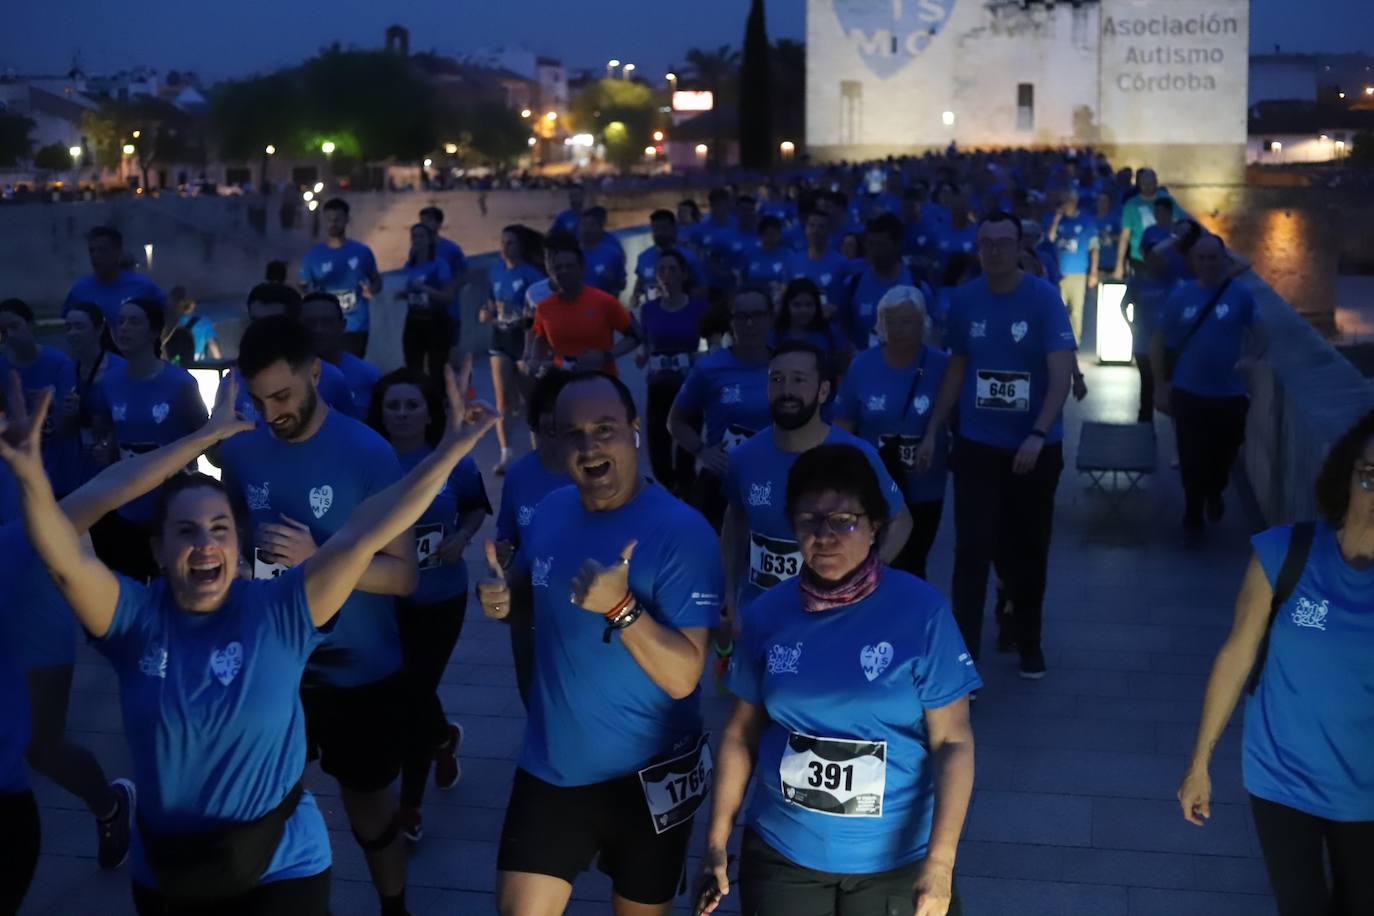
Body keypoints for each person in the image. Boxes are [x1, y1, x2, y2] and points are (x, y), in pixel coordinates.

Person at [0, 364, 495, 916]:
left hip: (282, 865)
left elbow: (368, 530)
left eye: (220, 529)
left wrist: (449, 451)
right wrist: (31, 480)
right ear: (158, 551)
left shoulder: (281, 610)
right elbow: (63, 557)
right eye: (185, 531)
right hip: (167, 872)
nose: (205, 543)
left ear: (238, 548)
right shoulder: (132, 620)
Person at [476, 371, 723, 916]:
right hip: (553, 768)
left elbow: (684, 677)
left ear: (634, 429)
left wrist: (622, 607)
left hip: (650, 776)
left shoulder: (684, 533)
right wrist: (502, 599)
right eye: (573, 433)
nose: (589, 446)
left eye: (604, 428)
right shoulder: (551, 510)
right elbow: (526, 598)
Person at [697, 443, 979, 916]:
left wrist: (940, 864)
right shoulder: (767, 614)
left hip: (896, 861)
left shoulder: (922, 613)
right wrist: (715, 840)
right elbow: (741, 733)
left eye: (844, 521)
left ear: (875, 525)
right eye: (809, 520)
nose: (824, 536)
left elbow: (953, 741)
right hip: (783, 853)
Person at [217, 316, 420, 916]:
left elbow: (403, 576)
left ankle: (394, 907)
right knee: (263, 803)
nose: (271, 413)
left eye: (282, 396)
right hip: (277, 666)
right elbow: (234, 536)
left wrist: (320, 559)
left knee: (369, 807)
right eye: (258, 401)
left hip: (360, 671)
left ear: (314, 372)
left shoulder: (369, 453)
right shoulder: (242, 450)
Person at [1178, 411, 1374, 916]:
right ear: (1346, 475)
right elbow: (1237, 653)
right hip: (1283, 776)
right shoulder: (1288, 552)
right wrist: (1200, 764)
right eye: (1370, 476)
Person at [916, 212, 1076, 679]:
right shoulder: (965, 300)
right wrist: (934, 426)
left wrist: (1038, 433)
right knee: (971, 549)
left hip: (1034, 448)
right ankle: (965, 657)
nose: (995, 251)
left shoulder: (1043, 299)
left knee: (1028, 548)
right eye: (986, 243)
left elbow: (1061, 374)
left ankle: (1029, 639)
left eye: (1004, 242)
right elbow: (958, 367)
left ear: (1019, 246)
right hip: (978, 445)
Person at [367, 368, 490, 844]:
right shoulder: (368, 459)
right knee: (405, 692)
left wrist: (462, 537)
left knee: (414, 693)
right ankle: (442, 739)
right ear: (380, 412)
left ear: (429, 412)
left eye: (411, 405)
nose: (402, 414)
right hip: (383, 599)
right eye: (393, 405)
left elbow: (475, 505)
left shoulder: (452, 459)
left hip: (440, 597)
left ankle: (410, 806)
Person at [723, 338, 911, 621]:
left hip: (832, 619)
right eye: (777, 379)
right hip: (760, 619)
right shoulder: (744, 457)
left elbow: (900, 520)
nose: (786, 390)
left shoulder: (857, 456)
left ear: (823, 391)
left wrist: (865, 578)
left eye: (799, 380)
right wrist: (729, 590)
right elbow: (735, 520)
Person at [1151, 234, 1265, 544]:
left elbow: (1261, 334)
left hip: (1230, 394)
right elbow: (1159, 340)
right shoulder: (1180, 296)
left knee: (1225, 452)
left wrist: (1251, 357)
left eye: (1213, 258)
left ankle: (1215, 490)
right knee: (1191, 455)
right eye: (1200, 258)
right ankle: (1193, 512)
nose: (1207, 264)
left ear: (1223, 259)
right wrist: (1160, 385)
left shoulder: (1240, 294)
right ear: (1192, 261)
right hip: (1188, 391)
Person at [835, 286, 952, 580]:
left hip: (925, 486)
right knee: (874, 561)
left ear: (922, 323)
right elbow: (844, 423)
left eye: (907, 321)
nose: (899, 329)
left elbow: (957, 417)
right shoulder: (862, 365)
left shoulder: (941, 366)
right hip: (874, 486)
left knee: (912, 563)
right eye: (892, 321)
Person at [88, 298, 209, 582]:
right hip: (125, 506)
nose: (123, 328)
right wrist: (104, 449)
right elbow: (105, 431)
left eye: (134, 321)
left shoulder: (181, 383)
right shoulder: (108, 383)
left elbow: (206, 437)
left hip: (173, 508)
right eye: (120, 321)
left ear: (155, 330)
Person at [492, 369, 573, 707]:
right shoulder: (519, 474)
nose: (553, 423)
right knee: (532, 694)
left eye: (562, 415)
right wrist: (503, 554)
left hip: (580, 606)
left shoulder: (594, 472)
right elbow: (507, 533)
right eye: (546, 415)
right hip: (529, 603)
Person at [668, 291, 775, 531]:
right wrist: (702, 451)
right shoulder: (709, 368)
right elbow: (676, 421)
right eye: (742, 316)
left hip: (774, 478)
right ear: (731, 321)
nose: (750, 323)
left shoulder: (785, 365)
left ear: (771, 319)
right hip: (723, 483)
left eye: (757, 315)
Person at [636, 249, 708, 495]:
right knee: (658, 450)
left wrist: (702, 358)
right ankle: (672, 489)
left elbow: (709, 343)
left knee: (687, 451)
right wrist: (642, 355)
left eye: (672, 269)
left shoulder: (699, 308)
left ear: (684, 274)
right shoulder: (648, 310)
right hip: (658, 385)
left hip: (689, 386)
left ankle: (687, 496)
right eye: (661, 270)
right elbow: (646, 342)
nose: (666, 275)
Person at [0, 299, 82, 496]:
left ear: (31, 325)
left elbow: (72, 418)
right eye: (3, 331)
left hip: (59, 466)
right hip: (18, 469)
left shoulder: (59, 362)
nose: (10, 335)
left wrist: (55, 402)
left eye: (15, 326)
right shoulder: (2, 368)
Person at [527, 239, 643, 378]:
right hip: (562, 384)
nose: (564, 271)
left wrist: (606, 356)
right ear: (551, 272)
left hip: (601, 381)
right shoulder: (544, 308)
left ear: (581, 269)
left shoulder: (604, 301)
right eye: (558, 267)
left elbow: (635, 335)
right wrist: (535, 360)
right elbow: (540, 338)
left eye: (569, 266)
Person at [481, 225, 545, 474]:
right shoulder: (495, 271)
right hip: (500, 338)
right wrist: (486, 312)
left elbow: (541, 309)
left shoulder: (531, 274)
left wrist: (521, 316)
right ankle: (505, 454)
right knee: (502, 400)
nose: (505, 248)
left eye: (511, 243)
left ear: (521, 247)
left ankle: (539, 451)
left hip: (524, 340)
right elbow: (489, 303)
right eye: (503, 242)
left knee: (531, 399)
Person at [298, 198, 384, 358]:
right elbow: (302, 285)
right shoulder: (312, 256)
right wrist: (305, 293)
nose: (333, 223)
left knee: (351, 367)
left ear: (346, 220)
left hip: (355, 325)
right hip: (323, 327)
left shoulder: (362, 252)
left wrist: (372, 290)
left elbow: (376, 280)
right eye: (329, 219)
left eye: (337, 219)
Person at [63, 302, 126, 484]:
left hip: (113, 466)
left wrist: (110, 436)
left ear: (99, 329)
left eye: (79, 327)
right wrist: (68, 415)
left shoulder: (120, 369)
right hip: (77, 466)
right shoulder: (66, 370)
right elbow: (62, 430)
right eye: (68, 327)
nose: (72, 333)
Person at [62, 226, 168, 327]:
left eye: (102, 250)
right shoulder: (79, 290)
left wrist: (159, 338)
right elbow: (66, 325)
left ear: (118, 252)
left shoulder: (143, 287)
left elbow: (170, 313)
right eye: (91, 250)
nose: (95, 255)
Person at [1121, 239, 1179, 422]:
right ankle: (1145, 425)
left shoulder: (1171, 280)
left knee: (1169, 384)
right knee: (1147, 383)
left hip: (1168, 342)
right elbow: (1123, 305)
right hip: (1143, 341)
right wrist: (1131, 325)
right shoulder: (1137, 282)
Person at [841, 214, 917, 350]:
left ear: (897, 245)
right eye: (870, 244)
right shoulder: (853, 284)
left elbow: (931, 338)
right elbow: (843, 332)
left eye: (881, 245)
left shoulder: (917, 286)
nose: (873, 250)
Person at [301, 293, 381, 419]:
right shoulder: (285, 377)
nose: (318, 329)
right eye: (310, 323)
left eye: (327, 322)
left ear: (342, 325)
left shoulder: (368, 376)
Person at [395, 222, 456, 379]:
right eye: (414, 236)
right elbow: (409, 291)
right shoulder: (409, 266)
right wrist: (404, 294)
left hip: (436, 321)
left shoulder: (439, 264)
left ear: (430, 240)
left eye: (421, 236)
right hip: (414, 320)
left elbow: (448, 296)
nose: (417, 240)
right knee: (413, 367)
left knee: (437, 369)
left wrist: (425, 289)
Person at [1046, 188, 1100, 342]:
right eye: (1062, 202)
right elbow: (1050, 239)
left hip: (1078, 273)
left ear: (1074, 202)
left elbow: (1094, 247)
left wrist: (1093, 272)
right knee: (1057, 310)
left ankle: (1074, 342)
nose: (1063, 204)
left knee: (1076, 311)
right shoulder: (1058, 221)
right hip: (1058, 274)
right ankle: (1058, 341)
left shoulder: (1086, 221)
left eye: (1066, 201)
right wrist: (1056, 220)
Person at [1115, 169, 1181, 278]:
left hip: (1165, 258)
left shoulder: (1167, 199)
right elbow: (1125, 236)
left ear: (1156, 182)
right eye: (1144, 184)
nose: (1148, 187)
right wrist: (1119, 264)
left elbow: (1180, 224)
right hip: (1139, 259)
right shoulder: (1131, 204)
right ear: (1139, 184)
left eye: (1150, 183)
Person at [633, 209, 705, 306]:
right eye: (655, 228)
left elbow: (702, 288)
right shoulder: (643, 257)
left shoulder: (689, 257)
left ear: (674, 229)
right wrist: (635, 300)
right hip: (652, 313)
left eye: (663, 228)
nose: (659, 233)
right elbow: (639, 285)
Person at [772, 278, 847, 369]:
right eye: (797, 305)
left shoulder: (831, 333)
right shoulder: (775, 335)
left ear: (817, 306)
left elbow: (843, 367)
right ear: (787, 306)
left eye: (809, 304)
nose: (803, 310)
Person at [791, 208, 851, 315]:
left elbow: (847, 304)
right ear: (805, 229)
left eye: (821, 226)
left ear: (829, 231)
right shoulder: (793, 261)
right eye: (811, 225)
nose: (815, 230)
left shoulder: (842, 263)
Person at [739, 215, 794, 302]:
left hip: (778, 300)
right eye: (769, 234)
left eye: (776, 233)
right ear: (761, 235)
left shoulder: (789, 255)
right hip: (753, 301)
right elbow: (742, 279)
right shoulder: (749, 254)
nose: (772, 237)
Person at [578, 207, 627, 298]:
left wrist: (613, 280)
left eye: (592, 225)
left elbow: (622, 284)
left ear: (600, 229)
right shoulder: (570, 254)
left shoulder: (613, 253)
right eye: (583, 224)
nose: (587, 229)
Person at [419, 206, 468, 292]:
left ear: (439, 224)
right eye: (422, 222)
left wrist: (449, 291)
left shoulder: (451, 248)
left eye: (428, 221)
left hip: (447, 298)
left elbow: (464, 274)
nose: (424, 226)